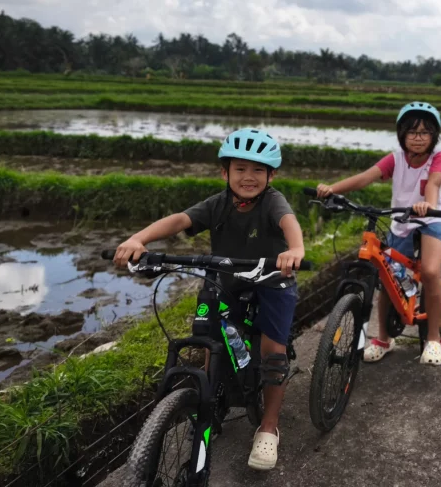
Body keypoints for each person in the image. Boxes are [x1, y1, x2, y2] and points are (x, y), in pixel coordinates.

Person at [113, 128, 305, 472]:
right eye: (241, 169)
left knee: (272, 354)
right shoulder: (218, 204)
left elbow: (288, 221)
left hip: (273, 280)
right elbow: (180, 220)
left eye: (258, 170)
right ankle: (210, 398)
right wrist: (138, 239)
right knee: (208, 337)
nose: (249, 177)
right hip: (224, 280)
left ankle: (268, 427)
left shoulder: (273, 201)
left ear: (271, 175)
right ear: (225, 172)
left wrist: (295, 250)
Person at [316, 101, 441, 367]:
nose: (417, 138)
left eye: (425, 132)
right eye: (412, 132)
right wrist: (333, 189)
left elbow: (434, 183)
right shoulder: (396, 158)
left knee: (430, 272)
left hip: (432, 219)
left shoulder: (439, 158)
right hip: (401, 220)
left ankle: (434, 338)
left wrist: (428, 204)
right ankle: (384, 338)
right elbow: (367, 177)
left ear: (434, 136)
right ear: (402, 134)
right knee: (386, 277)